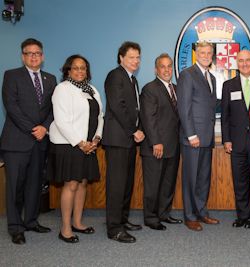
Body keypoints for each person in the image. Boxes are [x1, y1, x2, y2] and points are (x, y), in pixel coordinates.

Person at [0, 38, 56, 244]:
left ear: (43, 56)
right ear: (23, 56)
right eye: (29, 53)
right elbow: (11, 107)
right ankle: (15, 227)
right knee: (15, 186)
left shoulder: (50, 79)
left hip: (40, 142)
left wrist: (45, 127)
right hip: (17, 142)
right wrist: (33, 129)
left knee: (35, 184)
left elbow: (53, 109)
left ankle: (31, 221)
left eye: (37, 53)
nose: (34, 56)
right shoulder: (11, 75)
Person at [47, 55, 103, 243]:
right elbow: (61, 121)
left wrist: (96, 138)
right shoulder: (62, 89)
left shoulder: (92, 90)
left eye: (83, 68)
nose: (80, 71)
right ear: (68, 70)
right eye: (76, 68)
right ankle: (65, 228)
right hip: (68, 144)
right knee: (71, 184)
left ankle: (78, 222)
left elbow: (100, 116)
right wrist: (80, 143)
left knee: (83, 183)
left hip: (89, 144)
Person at [103, 41, 145, 243]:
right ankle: (114, 228)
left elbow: (134, 109)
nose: (136, 60)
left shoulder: (132, 80)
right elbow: (118, 107)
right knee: (116, 186)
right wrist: (134, 130)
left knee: (127, 184)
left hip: (128, 140)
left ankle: (123, 220)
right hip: (118, 139)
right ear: (121, 58)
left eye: (138, 57)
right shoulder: (115, 76)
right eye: (131, 57)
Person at [221, 50, 250, 228]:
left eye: (248, 60)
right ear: (236, 63)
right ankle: (243, 215)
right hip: (237, 141)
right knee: (239, 181)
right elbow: (225, 116)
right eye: (241, 61)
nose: (245, 64)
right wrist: (226, 139)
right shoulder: (228, 85)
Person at [177, 41, 218, 231]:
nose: (206, 55)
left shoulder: (212, 78)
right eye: (202, 52)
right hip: (193, 137)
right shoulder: (187, 75)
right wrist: (191, 134)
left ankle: (201, 212)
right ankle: (190, 216)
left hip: (207, 137)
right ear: (196, 54)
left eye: (209, 52)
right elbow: (183, 108)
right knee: (191, 178)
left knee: (203, 177)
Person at [140, 53, 182, 230]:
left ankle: (164, 214)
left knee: (167, 183)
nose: (166, 70)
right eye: (162, 66)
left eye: (169, 66)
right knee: (153, 184)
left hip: (173, 145)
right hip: (156, 146)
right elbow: (148, 117)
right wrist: (156, 142)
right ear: (156, 69)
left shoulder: (176, 88)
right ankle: (151, 217)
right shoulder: (150, 88)